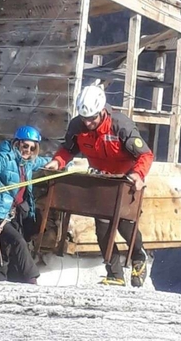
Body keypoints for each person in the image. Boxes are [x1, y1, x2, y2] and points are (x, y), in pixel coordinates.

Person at [44, 85, 154, 287]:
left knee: (124, 225)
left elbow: (145, 154)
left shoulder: (120, 125)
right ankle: (115, 274)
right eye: (84, 118)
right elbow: (68, 148)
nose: (88, 122)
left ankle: (139, 258)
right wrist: (58, 161)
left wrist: (138, 174)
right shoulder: (78, 126)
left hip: (125, 181)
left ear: (102, 110)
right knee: (103, 229)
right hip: (101, 181)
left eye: (92, 118)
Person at [0, 125, 50, 284]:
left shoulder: (27, 163)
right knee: (18, 241)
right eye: (25, 145)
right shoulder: (4, 159)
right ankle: (31, 279)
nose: (27, 150)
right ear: (17, 143)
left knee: (8, 248)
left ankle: (4, 280)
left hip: (12, 213)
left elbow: (46, 162)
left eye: (32, 147)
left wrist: (67, 163)